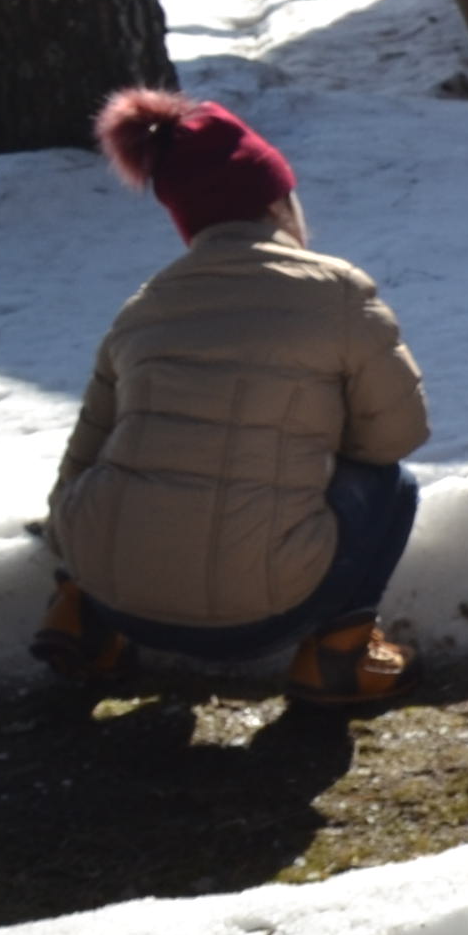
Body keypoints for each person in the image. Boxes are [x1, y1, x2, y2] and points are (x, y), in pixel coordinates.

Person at [36, 87, 427, 703]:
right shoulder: (336, 292)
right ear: (278, 203)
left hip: (113, 592)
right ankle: (338, 655)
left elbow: (81, 459)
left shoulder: (144, 308)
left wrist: (81, 563)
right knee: (390, 485)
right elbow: (395, 436)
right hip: (262, 613)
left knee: (122, 472)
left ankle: (78, 619)